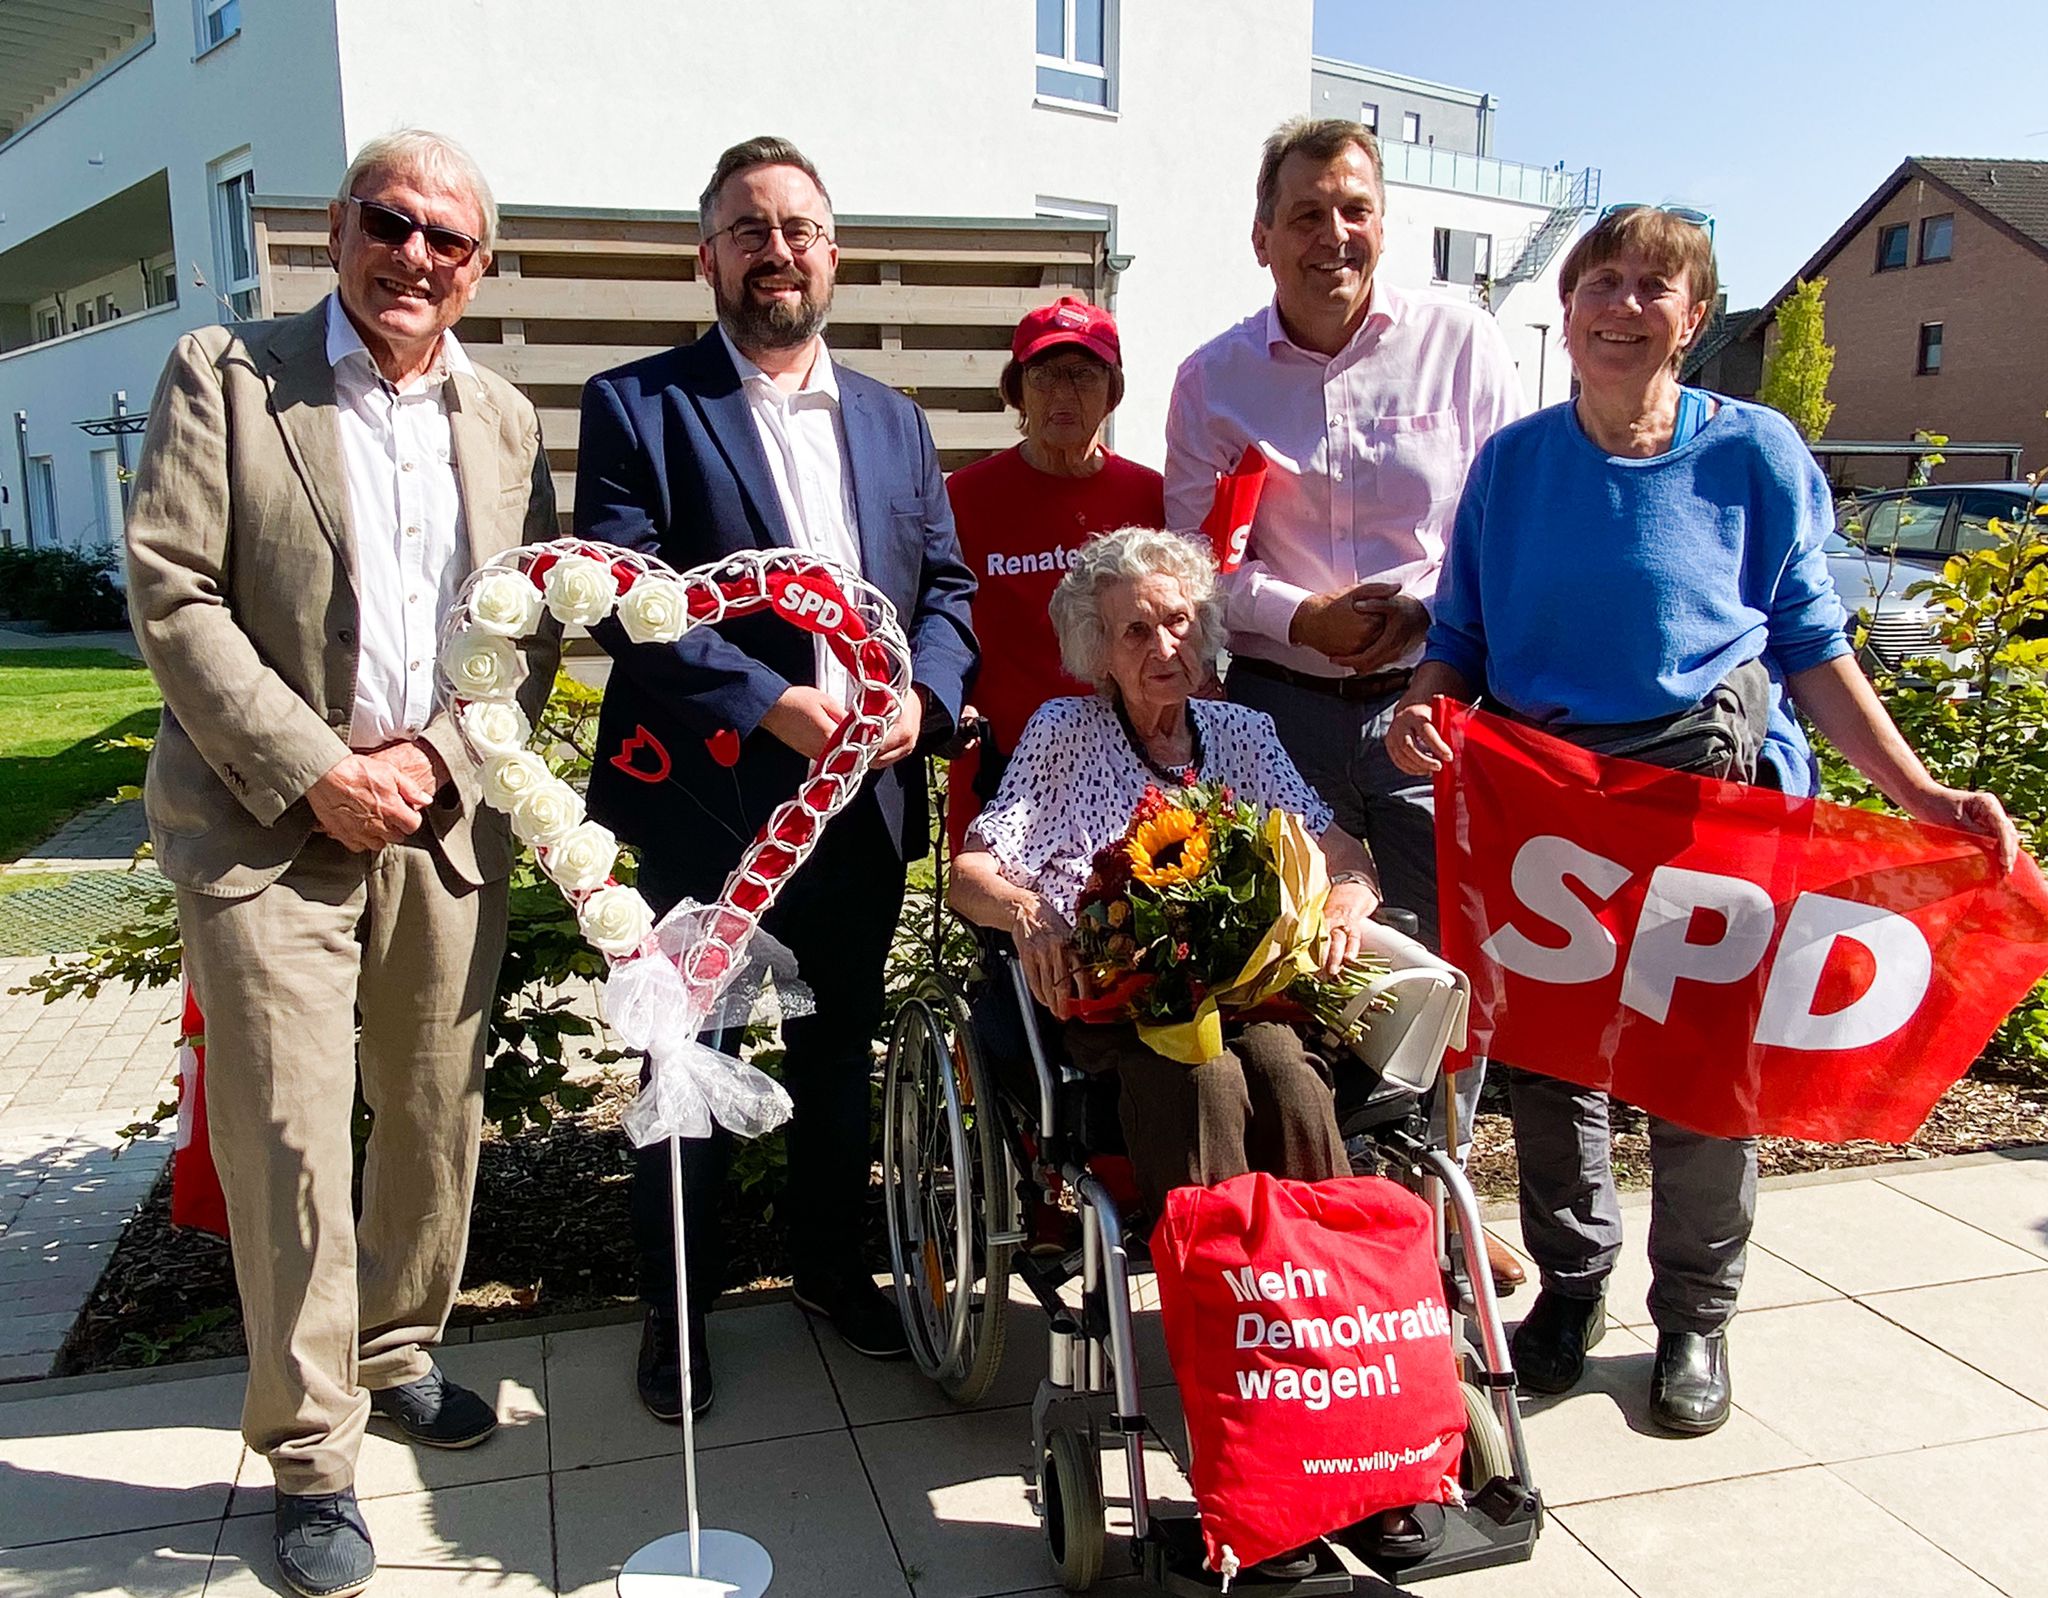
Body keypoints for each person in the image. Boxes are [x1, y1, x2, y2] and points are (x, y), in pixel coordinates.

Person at [1385, 204, 2020, 1434]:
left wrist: (1918, 795)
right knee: (1553, 1063)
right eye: (1598, 283)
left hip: (1708, 801)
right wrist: (1423, 706)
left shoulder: (1754, 453)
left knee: (1698, 1075)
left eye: (1650, 286)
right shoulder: (1511, 466)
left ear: (1691, 317)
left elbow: (1811, 646)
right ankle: (1568, 1293)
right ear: (1564, 311)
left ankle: (1692, 1320)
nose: (1619, 306)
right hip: (1545, 803)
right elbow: (1456, 640)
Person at [124, 130, 559, 1597]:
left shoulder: (503, 419)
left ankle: (398, 1349)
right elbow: (174, 589)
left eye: (451, 238)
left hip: (441, 814)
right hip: (267, 825)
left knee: (434, 1110)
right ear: (338, 227)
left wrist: (436, 753)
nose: (418, 256)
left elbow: (530, 622)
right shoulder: (228, 375)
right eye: (394, 223)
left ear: (480, 268)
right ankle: (311, 1450)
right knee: (293, 1138)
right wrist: (318, 769)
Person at [950, 526, 1449, 1573]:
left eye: (1178, 620)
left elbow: (1332, 842)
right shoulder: (1059, 730)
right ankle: (1251, 1417)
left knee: (1281, 1070)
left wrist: (1348, 896)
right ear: (1096, 643)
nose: (1163, 643)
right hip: (1116, 1000)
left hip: (1254, 989)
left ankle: (1340, 1373)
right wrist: (1032, 916)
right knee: (1208, 1073)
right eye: (1135, 627)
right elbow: (971, 868)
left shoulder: (1244, 729)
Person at [575, 135, 978, 1424]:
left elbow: (950, 593)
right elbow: (628, 603)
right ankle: (675, 1310)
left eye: (798, 228)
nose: (777, 250)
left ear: (832, 254)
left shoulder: (896, 422)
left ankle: (825, 1267)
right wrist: (767, 706)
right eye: (748, 229)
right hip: (709, 809)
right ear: (709, 257)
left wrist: (925, 692)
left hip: (860, 811)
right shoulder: (637, 405)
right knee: (681, 1065)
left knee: (836, 1047)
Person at [1164, 115, 1527, 1294]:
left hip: (1431, 696)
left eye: (1355, 209)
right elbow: (1192, 562)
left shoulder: (1462, 344)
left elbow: (1491, 521)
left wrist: (1423, 614)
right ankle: (1351, 1191)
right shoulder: (1210, 378)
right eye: (1308, 213)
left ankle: (1440, 1186)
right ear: (1262, 236)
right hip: (1277, 705)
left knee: (1452, 949)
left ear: (1383, 222)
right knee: (1305, 947)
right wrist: (1297, 616)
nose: (1334, 234)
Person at [943, 296, 1163, 853]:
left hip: (1130, 769)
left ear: (1113, 390)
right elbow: (935, 615)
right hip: (1003, 767)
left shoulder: (1151, 497)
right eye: (1043, 376)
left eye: (1084, 375)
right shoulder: (962, 498)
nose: (1064, 395)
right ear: (1016, 389)